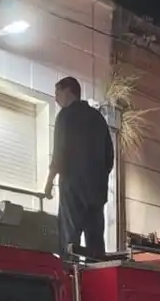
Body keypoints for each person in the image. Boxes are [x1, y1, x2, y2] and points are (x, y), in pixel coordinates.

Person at [43, 76, 114, 259]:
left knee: (69, 240)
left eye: (57, 93)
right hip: (97, 192)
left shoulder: (65, 116)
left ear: (68, 91)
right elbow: (109, 158)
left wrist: (49, 182)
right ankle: (97, 280)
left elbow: (59, 153)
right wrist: (97, 177)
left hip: (73, 187)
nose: (56, 99)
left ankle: (69, 280)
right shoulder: (98, 119)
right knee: (96, 243)